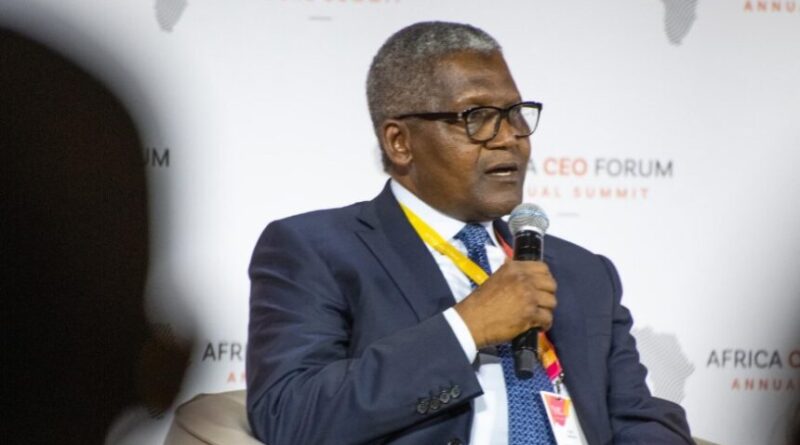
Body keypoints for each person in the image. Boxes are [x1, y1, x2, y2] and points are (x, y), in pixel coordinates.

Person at [246, 21, 692, 445]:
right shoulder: (317, 249)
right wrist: (466, 328)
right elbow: (289, 414)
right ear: (400, 142)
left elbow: (638, 416)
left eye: (515, 114)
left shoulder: (583, 272)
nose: (510, 137)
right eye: (478, 116)